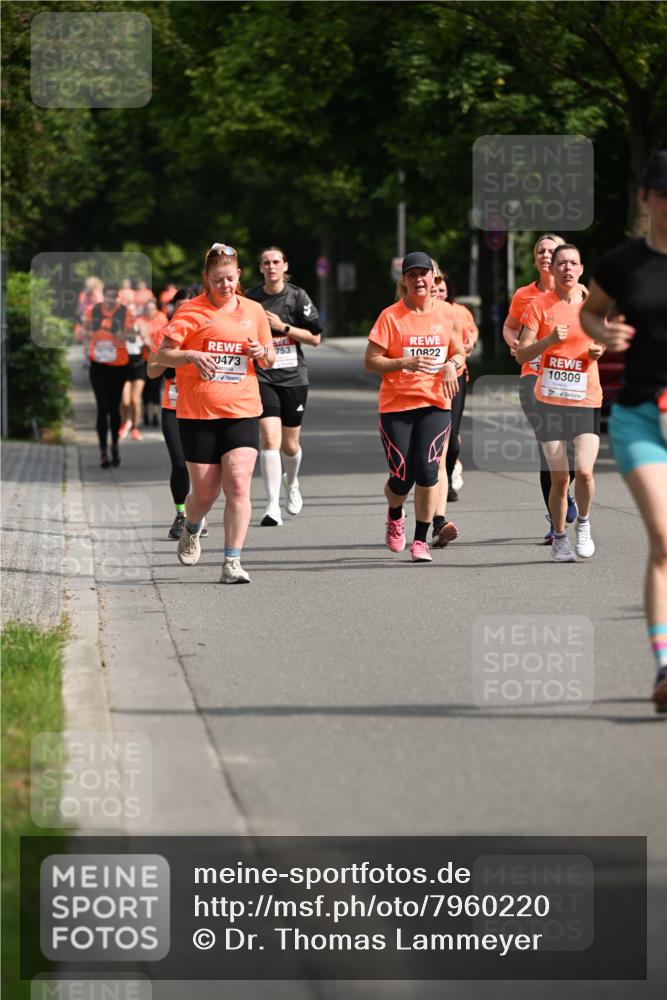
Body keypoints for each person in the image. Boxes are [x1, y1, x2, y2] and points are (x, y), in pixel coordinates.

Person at [580, 150, 667, 712]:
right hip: (640, 415)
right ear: (645, 197)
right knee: (665, 540)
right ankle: (666, 670)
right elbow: (590, 312)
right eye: (662, 192)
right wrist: (602, 333)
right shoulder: (622, 263)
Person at [155, 243, 275, 583]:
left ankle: (232, 561)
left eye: (229, 279)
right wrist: (192, 356)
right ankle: (192, 526)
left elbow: (270, 359)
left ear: (238, 276)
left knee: (238, 483)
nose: (224, 285)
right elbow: (164, 356)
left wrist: (260, 351)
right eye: (217, 280)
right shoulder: (190, 311)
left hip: (242, 409)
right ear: (206, 279)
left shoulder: (253, 310)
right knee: (205, 493)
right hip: (198, 413)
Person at [365, 251, 465, 562]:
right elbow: (371, 361)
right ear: (405, 280)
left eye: (424, 274)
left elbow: (460, 352)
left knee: (427, 470)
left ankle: (420, 540)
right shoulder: (390, 316)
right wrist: (403, 361)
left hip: (436, 404)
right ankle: (395, 513)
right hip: (397, 406)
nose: (419, 279)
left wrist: (451, 364)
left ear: (434, 278)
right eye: (412, 274)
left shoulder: (447, 314)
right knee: (401, 477)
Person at [516, 243, 605, 563]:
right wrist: (549, 340)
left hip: (585, 398)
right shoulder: (539, 306)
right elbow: (522, 353)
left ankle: (583, 524)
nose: (567, 268)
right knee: (560, 477)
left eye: (573, 263)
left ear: (581, 269)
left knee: (583, 471)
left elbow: (600, 342)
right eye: (561, 263)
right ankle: (560, 536)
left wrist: (597, 352)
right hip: (549, 402)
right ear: (552, 270)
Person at [503, 234, 578, 543]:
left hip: (571, 381)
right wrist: (514, 343)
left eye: (553, 250)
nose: (547, 255)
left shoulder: (579, 294)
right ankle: (555, 520)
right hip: (533, 378)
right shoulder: (524, 295)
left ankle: (565, 491)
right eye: (541, 251)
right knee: (548, 452)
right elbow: (509, 327)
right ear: (535, 260)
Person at [245, 246, 322, 526]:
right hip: (263, 375)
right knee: (269, 438)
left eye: (276, 261)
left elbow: (315, 338)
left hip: (293, 377)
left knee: (290, 446)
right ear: (260, 268)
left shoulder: (297, 296)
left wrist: (283, 326)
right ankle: (271, 506)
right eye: (266, 262)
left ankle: (293, 481)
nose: (271, 266)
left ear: (285, 266)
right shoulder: (251, 299)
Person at [147, 285, 204, 539]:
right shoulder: (164, 335)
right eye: (177, 309)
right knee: (180, 464)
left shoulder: (206, 331)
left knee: (202, 467)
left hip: (202, 406)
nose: (181, 314)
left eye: (186, 309)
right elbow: (151, 372)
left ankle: (200, 513)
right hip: (172, 405)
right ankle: (182, 514)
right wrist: (166, 356)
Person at [83, 283, 133, 468]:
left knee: (114, 408)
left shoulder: (125, 312)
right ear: (104, 296)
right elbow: (83, 332)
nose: (111, 300)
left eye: (114, 297)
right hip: (98, 364)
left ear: (117, 297)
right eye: (108, 296)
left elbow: (133, 336)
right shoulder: (93, 310)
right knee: (102, 408)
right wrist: (89, 334)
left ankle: (115, 445)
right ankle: (103, 450)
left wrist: (124, 334)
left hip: (119, 364)